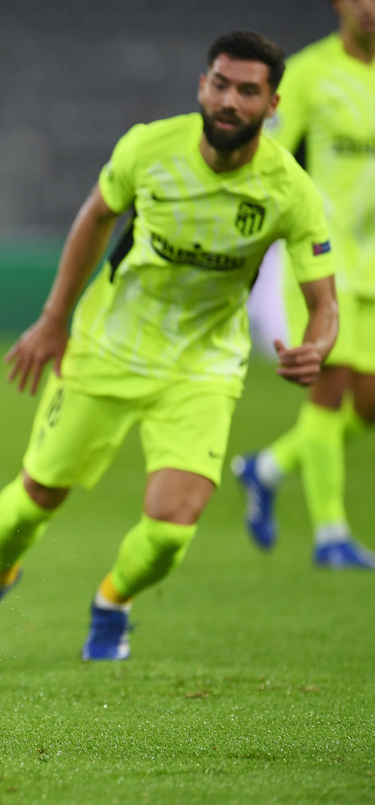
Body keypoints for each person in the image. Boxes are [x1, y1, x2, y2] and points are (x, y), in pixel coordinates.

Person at [0, 31, 338, 661]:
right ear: (202, 86)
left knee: (169, 532)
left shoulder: (290, 191)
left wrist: (316, 347)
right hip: (106, 348)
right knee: (35, 500)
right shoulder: (148, 147)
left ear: (272, 105)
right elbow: (95, 217)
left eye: (248, 91)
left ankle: (113, 602)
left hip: (202, 368)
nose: (229, 101)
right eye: (220, 84)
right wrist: (53, 319)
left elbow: (324, 304)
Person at [233, 0, 375, 568]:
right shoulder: (310, 73)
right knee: (331, 384)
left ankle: (265, 470)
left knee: (368, 404)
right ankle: (331, 535)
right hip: (322, 255)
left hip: (373, 261)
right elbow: (266, 160)